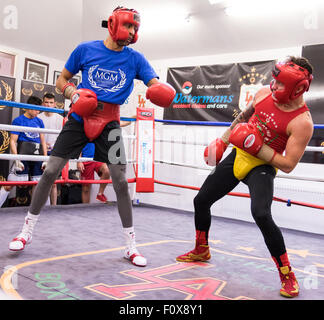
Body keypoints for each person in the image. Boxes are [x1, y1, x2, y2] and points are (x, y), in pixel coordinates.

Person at [8, 6, 176, 268]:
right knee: (51, 169)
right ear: (114, 24)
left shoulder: (135, 58)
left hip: (110, 121)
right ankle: (25, 232)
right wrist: (74, 94)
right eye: (129, 26)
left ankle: (131, 246)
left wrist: (161, 90)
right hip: (79, 116)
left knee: (120, 181)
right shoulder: (85, 49)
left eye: (135, 28)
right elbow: (62, 80)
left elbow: (153, 82)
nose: (132, 32)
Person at [176, 56, 314, 298]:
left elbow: (289, 164)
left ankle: (287, 274)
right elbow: (243, 117)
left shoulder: (302, 122)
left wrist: (258, 147)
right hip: (238, 155)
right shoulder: (262, 93)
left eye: (280, 84)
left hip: (262, 166)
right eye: (274, 80)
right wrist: (224, 140)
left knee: (261, 213)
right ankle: (201, 249)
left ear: (297, 88)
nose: (274, 86)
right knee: (201, 200)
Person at [0, 96, 47, 208]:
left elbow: (43, 141)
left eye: (38, 109)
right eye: (35, 109)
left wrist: (45, 158)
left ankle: (36, 210)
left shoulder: (39, 121)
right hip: (23, 155)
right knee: (10, 184)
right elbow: (12, 141)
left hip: (37, 156)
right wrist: (16, 158)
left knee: (38, 184)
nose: (38, 112)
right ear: (28, 108)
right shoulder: (18, 120)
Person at [77, 120, 132, 204]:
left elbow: (120, 123)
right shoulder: (85, 123)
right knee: (86, 188)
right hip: (85, 160)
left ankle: (100, 194)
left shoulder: (103, 122)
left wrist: (133, 118)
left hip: (98, 158)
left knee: (107, 170)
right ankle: (85, 208)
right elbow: (78, 144)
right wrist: (79, 161)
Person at [38, 93, 64, 205]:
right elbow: (33, 135)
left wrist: (52, 144)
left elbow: (64, 137)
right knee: (39, 181)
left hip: (55, 152)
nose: (48, 105)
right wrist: (42, 143)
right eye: (46, 102)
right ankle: (38, 206)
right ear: (43, 103)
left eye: (51, 103)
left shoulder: (60, 118)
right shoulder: (38, 117)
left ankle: (54, 207)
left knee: (53, 182)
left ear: (54, 104)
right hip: (40, 151)